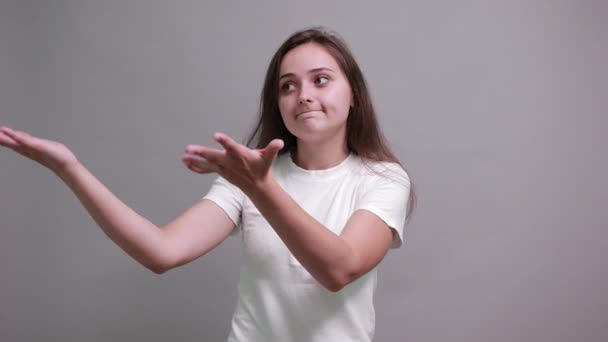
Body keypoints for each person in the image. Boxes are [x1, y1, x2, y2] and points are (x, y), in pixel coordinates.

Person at [0, 27, 415, 342]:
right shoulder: (249, 177)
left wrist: (261, 189)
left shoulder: (381, 179)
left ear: (353, 94)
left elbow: (339, 269)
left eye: (320, 79)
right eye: (288, 86)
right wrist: (70, 168)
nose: (303, 95)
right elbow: (161, 252)